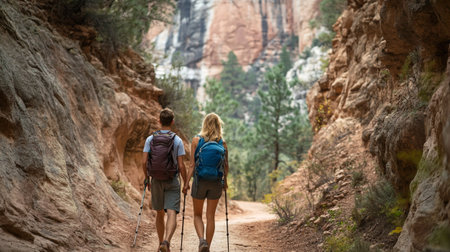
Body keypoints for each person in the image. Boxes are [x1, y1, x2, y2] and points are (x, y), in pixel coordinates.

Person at [143, 108, 187, 252]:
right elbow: (181, 165)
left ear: (159, 121)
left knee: (159, 212)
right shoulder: (177, 140)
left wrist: (146, 178)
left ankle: (160, 242)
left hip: (155, 179)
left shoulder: (151, 139)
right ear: (172, 122)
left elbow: (144, 162)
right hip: (172, 180)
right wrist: (186, 182)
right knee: (172, 212)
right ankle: (167, 242)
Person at [183, 113, 229, 252]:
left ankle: (202, 240)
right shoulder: (222, 143)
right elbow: (225, 166)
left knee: (197, 214)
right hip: (215, 182)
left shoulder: (196, 140)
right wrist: (225, 183)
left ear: (204, 124)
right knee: (210, 216)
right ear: (218, 125)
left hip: (200, 181)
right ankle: (207, 246)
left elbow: (191, 165)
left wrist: (186, 183)